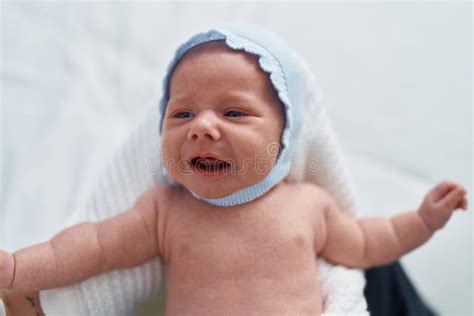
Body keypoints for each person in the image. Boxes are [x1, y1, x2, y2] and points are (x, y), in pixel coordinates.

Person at [0, 27, 467, 315]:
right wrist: (20, 267)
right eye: (181, 115)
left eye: (235, 114)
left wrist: (425, 219)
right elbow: (92, 246)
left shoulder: (306, 205)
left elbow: (370, 242)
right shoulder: (166, 210)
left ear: (285, 140)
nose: (202, 127)